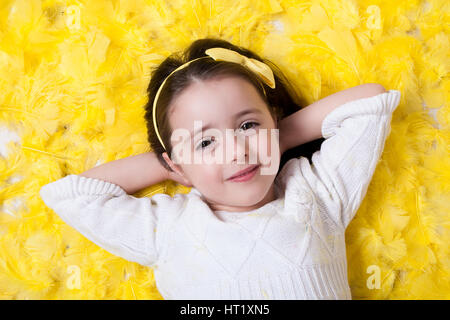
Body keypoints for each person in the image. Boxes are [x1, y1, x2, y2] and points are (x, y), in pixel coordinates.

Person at [40, 37, 401, 299]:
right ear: (175, 165)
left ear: (273, 121)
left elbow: (369, 102)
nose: (237, 152)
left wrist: (274, 139)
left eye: (247, 126)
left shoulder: (316, 195)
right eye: (205, 142)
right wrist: (179, 165)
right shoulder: (169, 229)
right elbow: (75, 195)